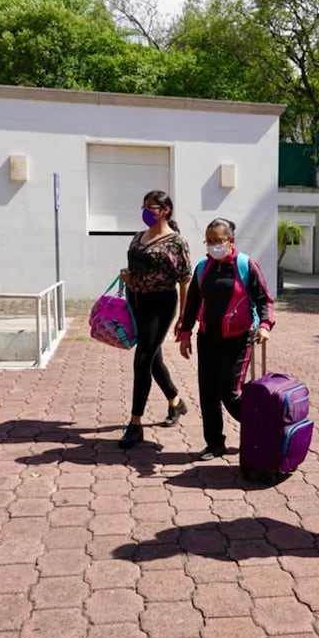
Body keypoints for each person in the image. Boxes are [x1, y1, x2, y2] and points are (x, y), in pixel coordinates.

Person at [177, 218, 274, 461]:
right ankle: (214, 444)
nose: (213, 246)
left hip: (238, 340)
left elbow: (264, 299)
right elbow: (193, 303)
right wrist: (186, 333)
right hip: (207, 338)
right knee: (208, 393)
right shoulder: (202, 268)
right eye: (209, 242)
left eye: (218, 241)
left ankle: (263, 428)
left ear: (231, 241)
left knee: (230, 393)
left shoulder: (246, 265)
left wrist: (264, 325)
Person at [117, 191, 192, 449]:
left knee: (142, 359)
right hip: (136, 300)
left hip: (161, 304)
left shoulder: (176, 242)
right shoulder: (139, 237)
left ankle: (135, 424)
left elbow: (184, 280)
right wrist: (129, 277)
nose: (147, 212)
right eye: (144, 206)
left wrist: (184, 316)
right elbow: (137, 266)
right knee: (153, 357)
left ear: (166, 210)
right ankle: (175, 402)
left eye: (152, 207)